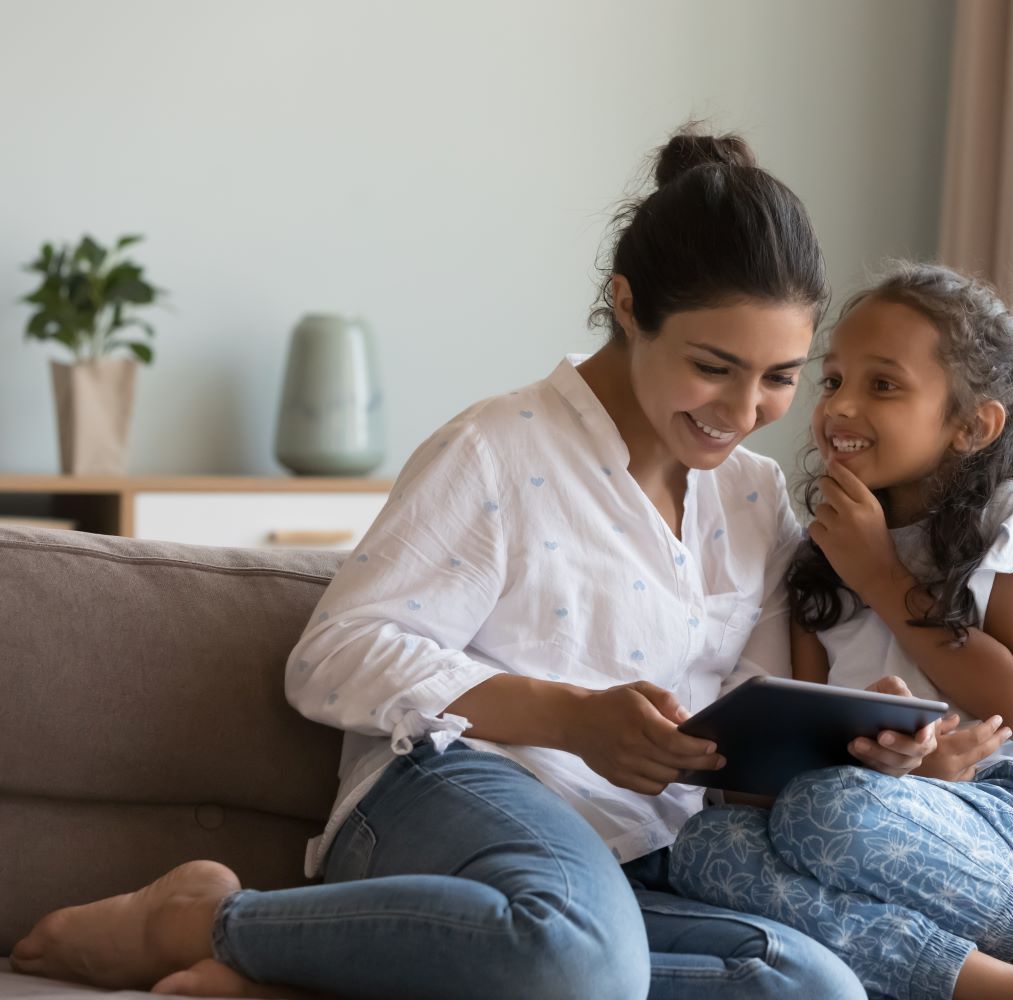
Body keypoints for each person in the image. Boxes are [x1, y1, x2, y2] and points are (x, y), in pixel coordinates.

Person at [9, 129, 865, 1000]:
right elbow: (334, 656)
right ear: (629, 305)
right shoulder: (496, 450)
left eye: (779, 378)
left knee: (813, 988)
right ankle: (208, 922)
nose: (743, 409)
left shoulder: (756, 499)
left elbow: (747, 720)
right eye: (713, 367)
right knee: (580, 959)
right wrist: (570, 719)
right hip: (449, 787)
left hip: (631, 863)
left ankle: (354, 974)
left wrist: (864, 742)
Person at [668, 263, 1013, 1000]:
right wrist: (890, 772)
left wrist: (880, 574)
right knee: (704, 848)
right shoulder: (820, 551)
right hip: (869, 813)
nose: (839, 407)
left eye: (883, 385)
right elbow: (795, 762)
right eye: (832, 380)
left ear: (973, 424)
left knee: (828, 808)